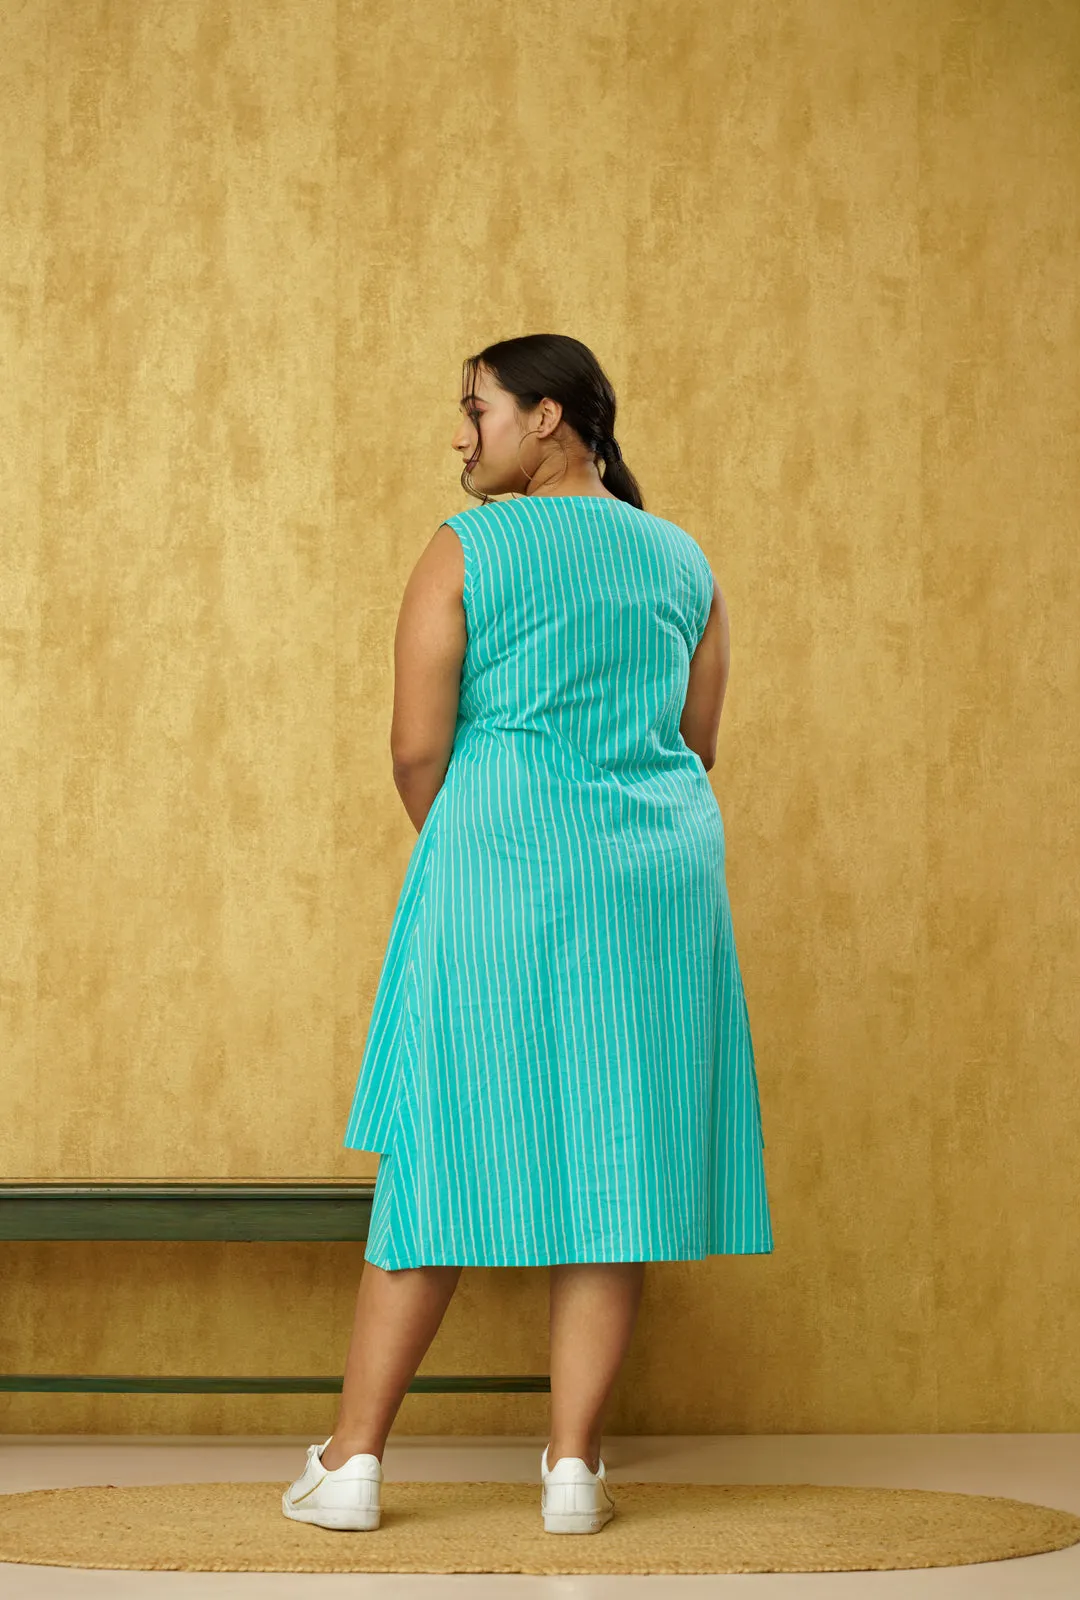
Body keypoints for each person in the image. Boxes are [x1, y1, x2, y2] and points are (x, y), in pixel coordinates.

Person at [283, 333, 772, 1535]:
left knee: (441, 1137)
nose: (461, 435)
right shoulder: (682, 558)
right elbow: (695, 739)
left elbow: (415, 747)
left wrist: (473, 847)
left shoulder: (471, 548)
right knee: (617, 1159)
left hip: (498, 864)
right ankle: (571, 1471)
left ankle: (351, 1463)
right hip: (654, 883)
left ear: (548, 417)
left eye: (476, 410)